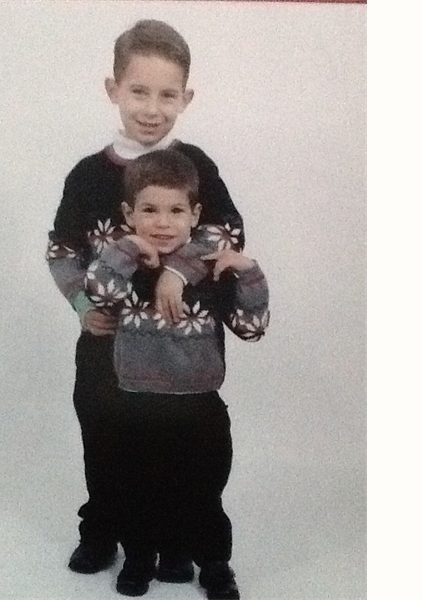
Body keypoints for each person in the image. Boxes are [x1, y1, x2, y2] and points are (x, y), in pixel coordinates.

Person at [46, 19, 246, 582]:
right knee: (105, 442)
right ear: (113, 89)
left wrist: (178, 272)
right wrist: (83, 307)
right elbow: (62, 250)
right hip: (106, 346)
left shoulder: (198, 167)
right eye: (139, 91)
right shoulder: (88, 176)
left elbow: (227, 235)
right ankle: (102, 530)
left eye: (166, 95)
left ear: (186, 97)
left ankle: (172, 542)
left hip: (180, 346)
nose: (152, 109)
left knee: (178, 452)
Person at [84, 149, 269, 599]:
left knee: (202, 493)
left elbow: (251, 328)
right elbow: (100, 292)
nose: (163, 223)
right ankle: (139, 559)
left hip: (198, 408)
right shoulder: (123, 265)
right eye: (149, 210)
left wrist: (248, 273)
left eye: (176, 211)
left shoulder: (210, 272)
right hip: (135, 404)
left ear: (195, 215)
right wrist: (129, 248)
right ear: (129, 214)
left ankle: (215, 565)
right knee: (138, 489)